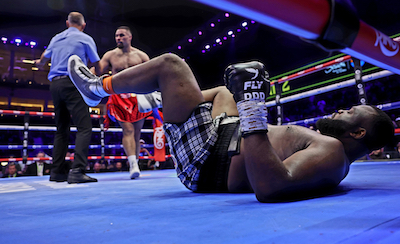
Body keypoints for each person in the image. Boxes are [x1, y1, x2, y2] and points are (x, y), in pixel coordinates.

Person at [67, 53, 394, 202]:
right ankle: (146, 103)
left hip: (210, 163)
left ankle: (99, 89)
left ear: (359, 133)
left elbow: (271, 187)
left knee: (171, 65)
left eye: (350, 111)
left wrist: (252, 104)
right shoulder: (331, 152)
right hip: (221, 142)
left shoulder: (333, 152)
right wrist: (244, 104)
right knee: (224, 92)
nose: (340, 110)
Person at [35, 12, 100, 184]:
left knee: (61, 129)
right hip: (73, 83)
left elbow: (42, 60)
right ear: (83, 25)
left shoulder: (56, 38)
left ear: (67, 23)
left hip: (55, 85)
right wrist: (94, 75)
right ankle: (77, 170)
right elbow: (96, 63)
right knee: (84, 127)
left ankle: (57, 172)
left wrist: (38, 64)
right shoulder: (85, 38)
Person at [96, 26, 154, 179]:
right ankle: (133, 164)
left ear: (129, 37)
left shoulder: (141, 56)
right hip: (119, 96)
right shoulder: (111, 55)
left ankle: (135, 164)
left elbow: (152, 74)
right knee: (127, 130)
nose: (118, 38)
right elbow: (98, 70)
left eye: (121, 35)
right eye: (116, 36)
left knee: (137, 133)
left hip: (138, 96)